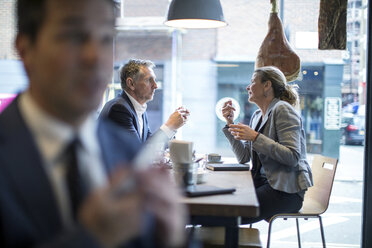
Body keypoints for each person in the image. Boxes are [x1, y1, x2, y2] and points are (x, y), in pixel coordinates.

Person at [0, 0, 187, 247]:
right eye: (73, 36)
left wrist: (173, 238)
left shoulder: (126, 152)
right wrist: (90, 238)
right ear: (25, 50)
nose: (94, 56)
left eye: (105, 38)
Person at [221, 66, 313, 223]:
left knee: (227, 214)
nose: (248, 87)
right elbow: (243, 157)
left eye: (252, 82)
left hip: (285, 191)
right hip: (265, 184)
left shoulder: (283, 109)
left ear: (267, 85)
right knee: (221, 204)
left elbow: (292, 157)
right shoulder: (257, 116)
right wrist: (230, 123)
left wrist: (256, 137)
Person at [99, 59, 190, 143]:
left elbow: (148, 144)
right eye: (149, 80)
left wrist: (172, 127)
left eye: (154, 80)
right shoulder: (119, 109)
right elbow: (137, 153)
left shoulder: (138, 108)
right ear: (131, 84)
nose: (155, 85)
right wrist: (170, 126)